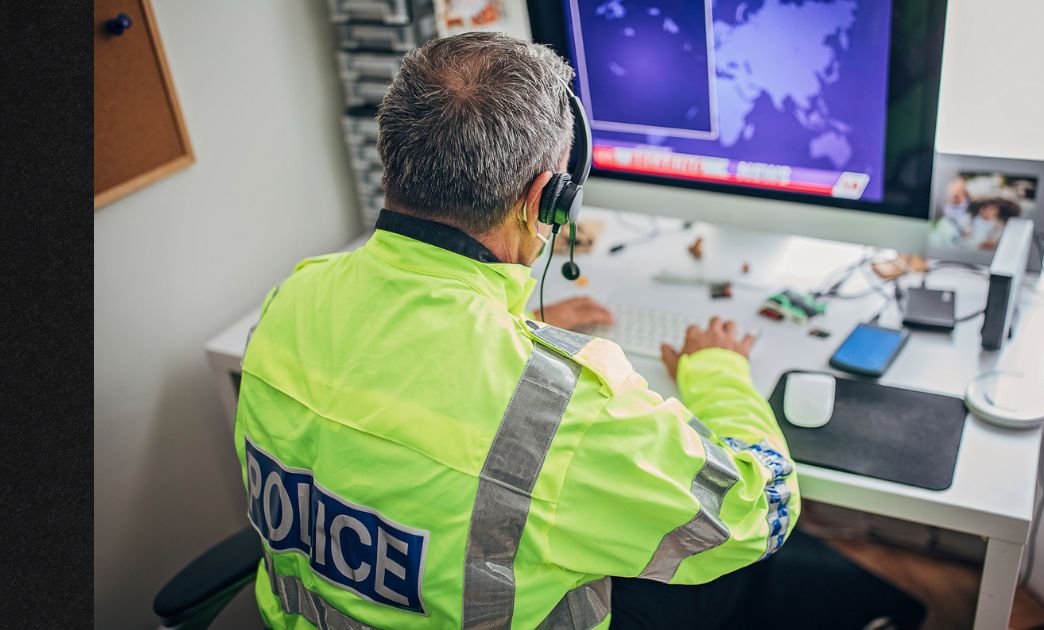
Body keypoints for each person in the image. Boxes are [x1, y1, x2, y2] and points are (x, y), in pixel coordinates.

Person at [235, 32, 923, 630]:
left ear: (394, 160)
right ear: (546, 200)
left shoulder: (295, 296)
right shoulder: (549, 403)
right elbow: (763, 507)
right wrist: (717, 370)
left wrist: (510, 325)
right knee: (723, 568)